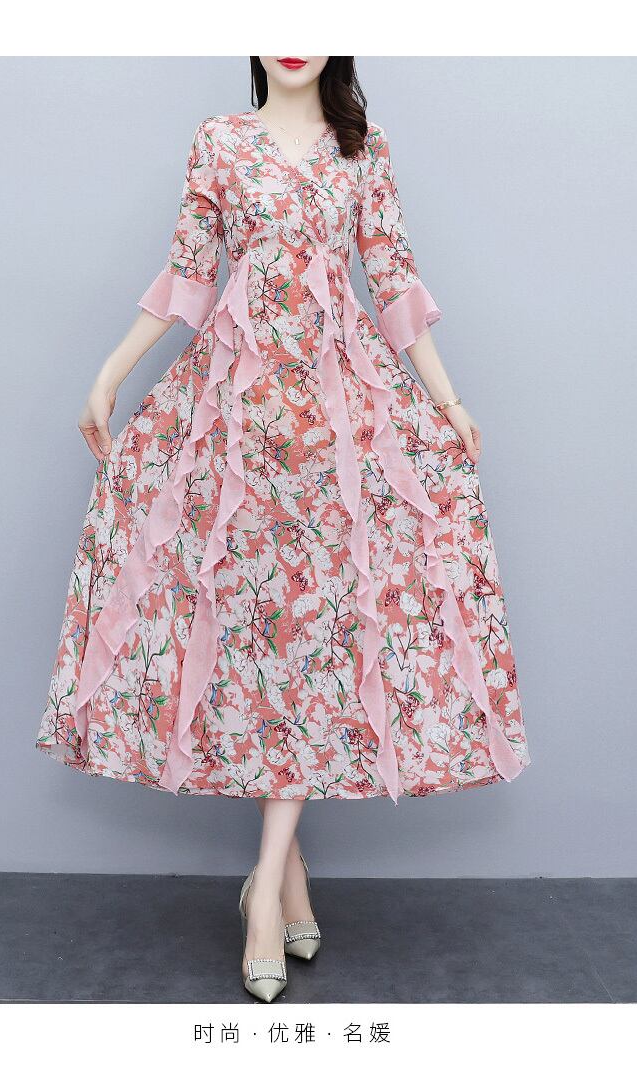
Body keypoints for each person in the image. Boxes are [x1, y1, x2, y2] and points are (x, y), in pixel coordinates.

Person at [36, 55, 530, 1002]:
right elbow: (190, 275)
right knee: (261, 637)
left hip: (340, 422)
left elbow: (392, 281)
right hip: (237, 419)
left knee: (316, 637)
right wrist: (109, 374)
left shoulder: (363, 149)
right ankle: (288, 873)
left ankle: (262, 891)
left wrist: (450, 403)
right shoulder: (220, 141)